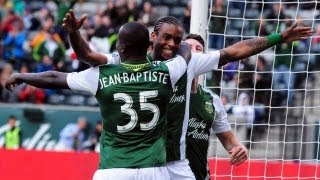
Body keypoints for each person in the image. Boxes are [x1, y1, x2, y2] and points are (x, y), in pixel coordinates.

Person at [61, 9, 312, 179]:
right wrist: (74, 33)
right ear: (153, 37)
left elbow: (234, 52)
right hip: (143, 164)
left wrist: (278, 37)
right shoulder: (127, 61)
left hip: (176, 164)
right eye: (167, 38)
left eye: (178, 41)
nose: (173, 45)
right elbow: (88, 57)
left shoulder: (190, 67)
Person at [6, 21, 191, 180]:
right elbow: (185, 52)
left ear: (122, 48)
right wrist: (172, 44)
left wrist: (21, 76)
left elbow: (53, 78)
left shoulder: (102, 76)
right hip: (154, 170)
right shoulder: (167, 72)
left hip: (114, 169)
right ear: (147, 46)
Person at [184, 34, 247, 180]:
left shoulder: (212, 99)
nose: (193, 52)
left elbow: (230, 141)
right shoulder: (167, 91)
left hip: (200, 175)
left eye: (198, 48)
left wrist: (240, 149)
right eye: (188, 48)